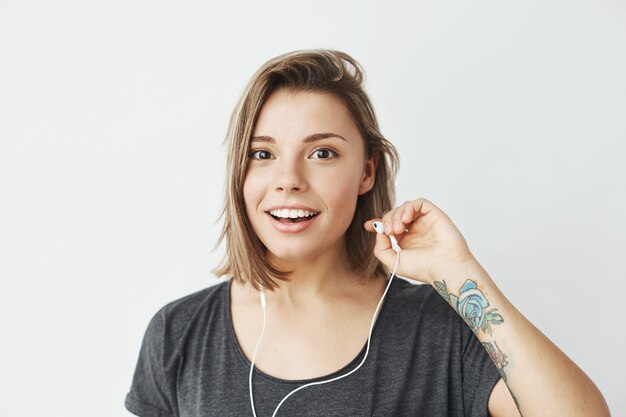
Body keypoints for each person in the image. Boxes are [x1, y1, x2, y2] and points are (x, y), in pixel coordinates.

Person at [124, 49, 611, 417]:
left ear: (367, 172)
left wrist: (459, 273)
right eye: (263, 153)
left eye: (322, 153)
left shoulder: (440, 331)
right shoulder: (178, 334)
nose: (288, 178)